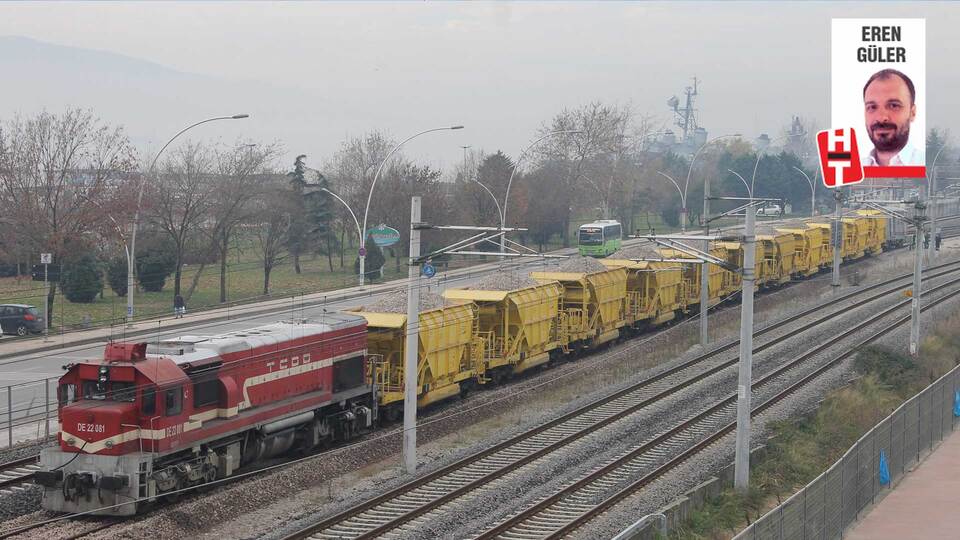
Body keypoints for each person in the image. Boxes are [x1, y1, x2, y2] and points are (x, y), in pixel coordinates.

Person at [861, 69, 923, 167]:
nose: (881, 118)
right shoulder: (849, 172)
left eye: (893, 106)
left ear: (912, 113)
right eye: (872, 107)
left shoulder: (928, 168)